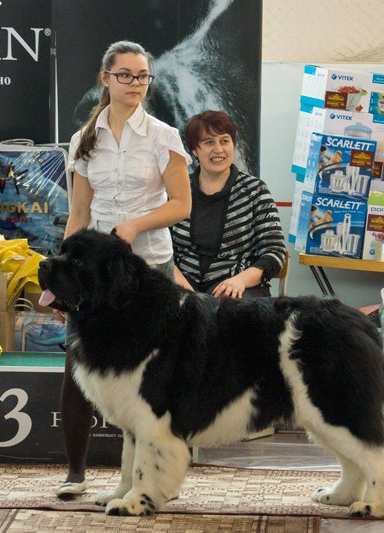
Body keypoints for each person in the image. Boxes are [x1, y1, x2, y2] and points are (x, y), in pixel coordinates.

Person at [55, 40, 192, 497]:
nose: (136, 84)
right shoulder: (82, 140)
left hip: (149, 268)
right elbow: (78, 215)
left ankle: (154, 478)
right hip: (94, 275)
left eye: (142, 76)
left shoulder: (163, 136)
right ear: (106, 79)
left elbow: (181, 205)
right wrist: (60, 278)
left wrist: (135, 225)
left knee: (155, 378)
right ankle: (75, 471)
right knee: (79, 367)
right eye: (126, 75)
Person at [172, 111, 286, 298]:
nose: (218, 149)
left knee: (230, 312)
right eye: (209, 142)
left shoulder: (255, 190)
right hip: (182, 286)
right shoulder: (177, 190)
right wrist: (186, 291)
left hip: (238, 289)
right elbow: (160, 250)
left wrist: (240, 281)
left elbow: (275, 252)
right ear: (194, 149)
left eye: (225, 141)